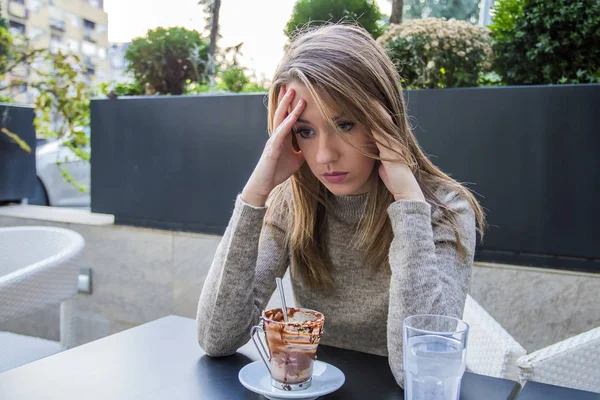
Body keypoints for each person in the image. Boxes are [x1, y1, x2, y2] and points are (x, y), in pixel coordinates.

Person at [195, 23, 486, 387]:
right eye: (305, 130)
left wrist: (408, 204)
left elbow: (417, 369)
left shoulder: (444, 210)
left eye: (345, 124)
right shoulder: (294, 202)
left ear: (385, 120)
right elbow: (216, 338)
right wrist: (257, 193)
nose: (325, 155)